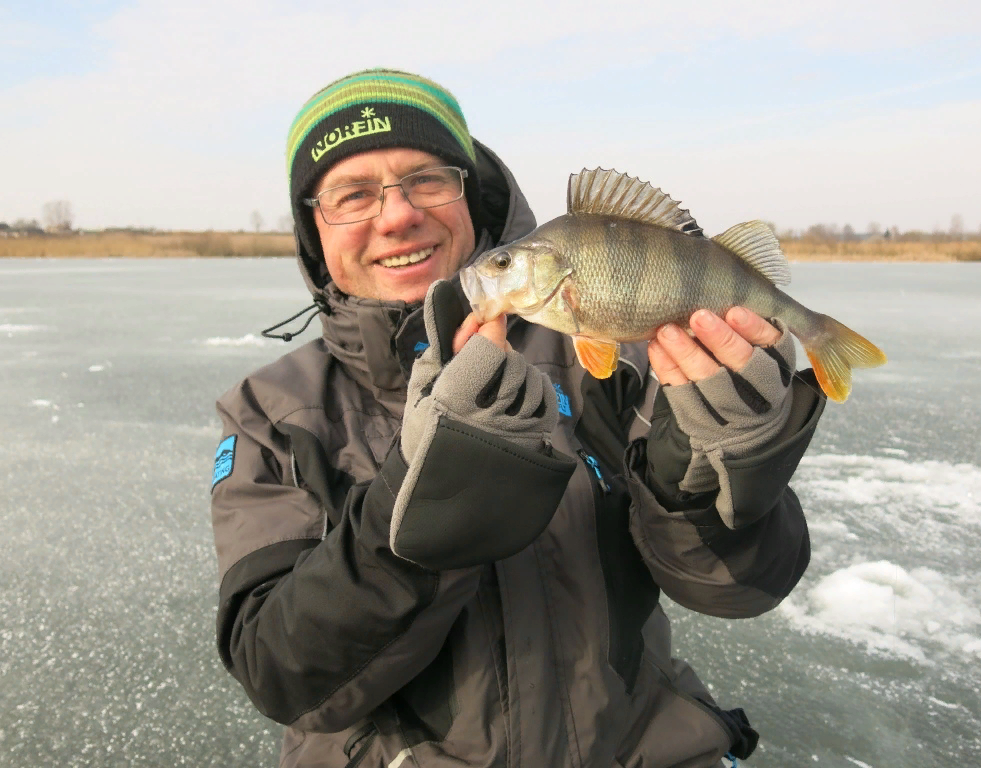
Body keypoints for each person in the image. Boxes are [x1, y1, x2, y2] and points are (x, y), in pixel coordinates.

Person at [211, 68, 826, 768]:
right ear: (311, 231)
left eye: (428, 179)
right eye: (352, 195)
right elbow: (279, 673)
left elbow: (742, 586)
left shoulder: (619, 359)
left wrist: (717, 465)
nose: (396, 215)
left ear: (472, 196)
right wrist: (425, 498)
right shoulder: (269, 415)